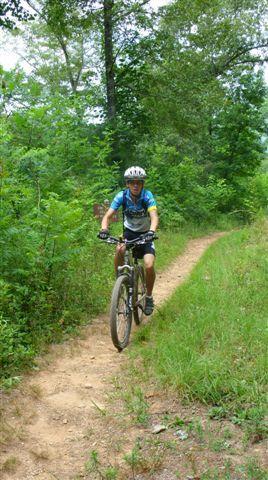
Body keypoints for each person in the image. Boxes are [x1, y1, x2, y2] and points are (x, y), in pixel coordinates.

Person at [99, 166, 159, 316]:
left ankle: (149, 297)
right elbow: (107, 216)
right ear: (127, 183)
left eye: (139, 182)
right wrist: (104, 230)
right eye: (132, 182)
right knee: (119, 249)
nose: (136, 185)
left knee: (149, 265)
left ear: (142, 183)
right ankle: (119, 282)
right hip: (129, 233)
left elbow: (154, 216)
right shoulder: (122, 196)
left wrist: (151, 232)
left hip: (146, 235)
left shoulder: (147, 196)